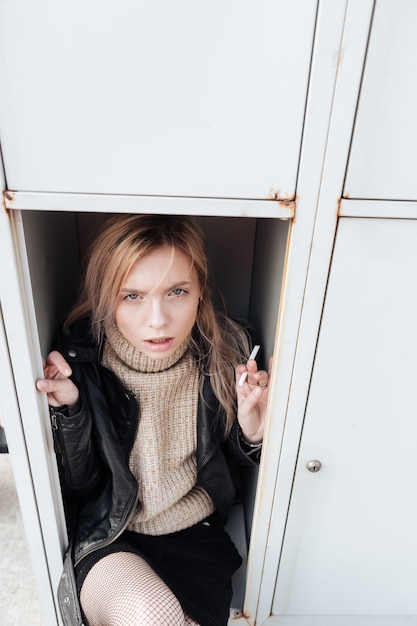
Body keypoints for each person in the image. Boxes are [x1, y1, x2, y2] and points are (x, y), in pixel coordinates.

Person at [36, 214, 270, 626]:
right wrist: (71, 410)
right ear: (105, 297)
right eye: (133, 296)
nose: (158, 319)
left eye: (177, 291)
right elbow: (81, 484)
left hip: (198, 536)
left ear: (200, 291)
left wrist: (252, 430)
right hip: (112, 535)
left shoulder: (227, 350)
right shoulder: (80, 359)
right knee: (151, 614)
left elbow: (231, 460)